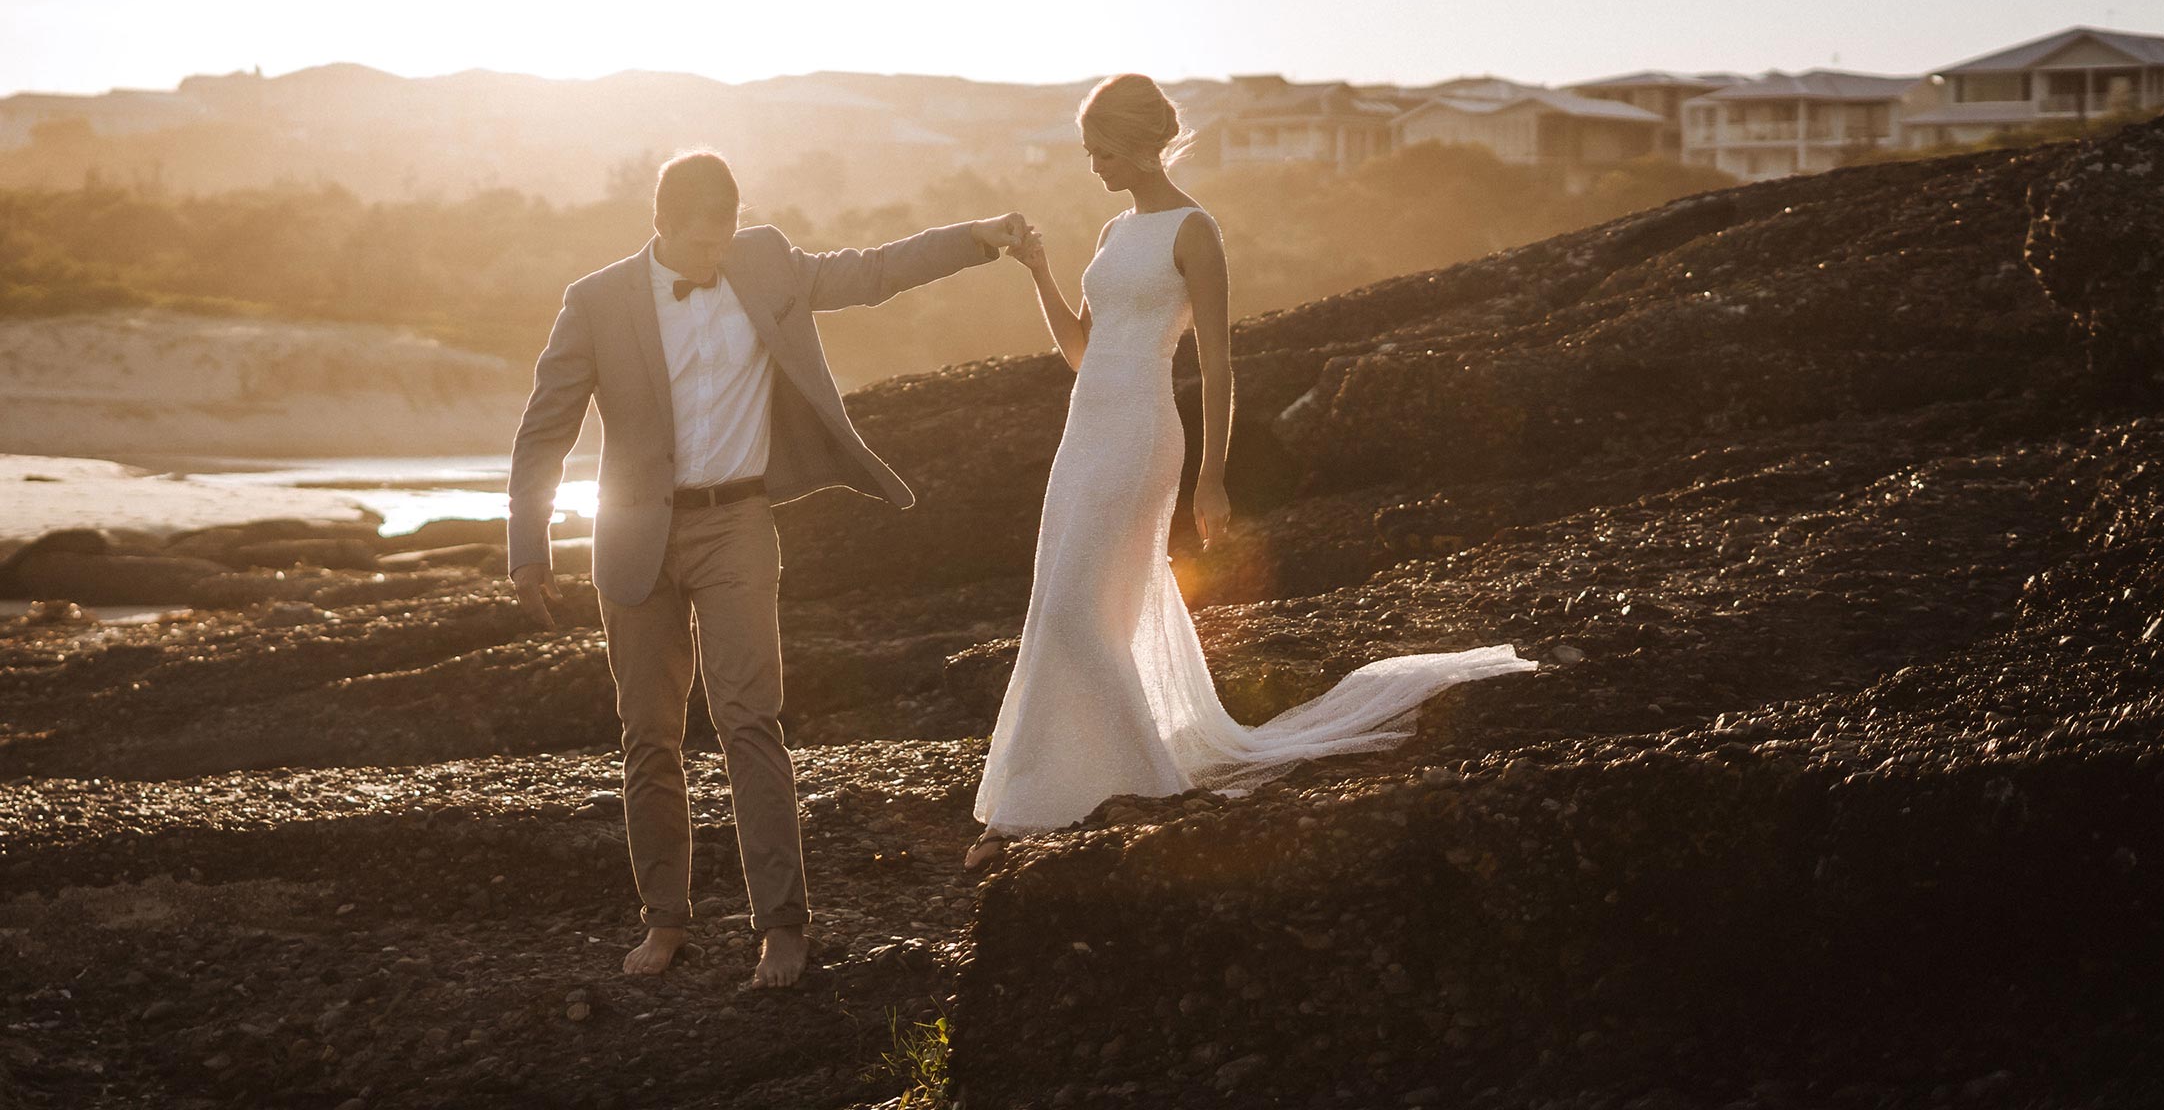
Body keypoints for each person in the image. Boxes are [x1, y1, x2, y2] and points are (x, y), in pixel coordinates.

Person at [965, 75, 1533, 868]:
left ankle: (1126, 790)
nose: (1091, 162)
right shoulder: (1109, 233)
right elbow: (1081, 355)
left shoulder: (1195, 231)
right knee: (1073, 605)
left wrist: (1212, 477)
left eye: (1101, 148)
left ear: (1136, 142)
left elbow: (1221, 367)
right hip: (1084, 431)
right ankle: (1065, 792)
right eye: (1088, 149)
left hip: (1139, 434)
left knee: (1072, 614)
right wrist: (1037, 270)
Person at [507, 149, 1023, 985]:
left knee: (751, 721)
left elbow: (874, 271)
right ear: (664, 225)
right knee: (649, 737)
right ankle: (665, 922)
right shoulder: (596, 301)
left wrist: (978, 238)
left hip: (739, 523)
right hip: (635, 535)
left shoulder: (766, 260)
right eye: (707, 241)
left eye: (730, 234)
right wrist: (528, 546)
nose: (721, 253)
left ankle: (782, 927)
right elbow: (546, 427)